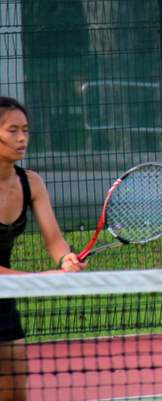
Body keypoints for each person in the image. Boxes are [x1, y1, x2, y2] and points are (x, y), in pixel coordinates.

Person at [0, 97, 87, 401]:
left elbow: (54, 239)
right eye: (12, 130)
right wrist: (39, 278)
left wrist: (66, 258)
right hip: (7, 283)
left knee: (15, 394)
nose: (22, 138)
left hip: (3, 302)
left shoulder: (31, 183)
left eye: (25, 130)